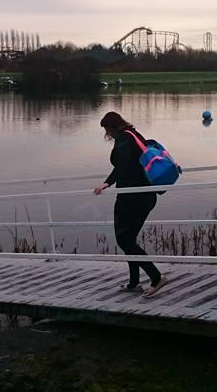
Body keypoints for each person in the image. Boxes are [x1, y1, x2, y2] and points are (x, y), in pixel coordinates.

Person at [93, 112, 168, 297]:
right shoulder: (133, 134)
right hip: (144, 196)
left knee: (124, 240)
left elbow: (123, 165)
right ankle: (134, 283)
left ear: (112, 127)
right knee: (128, 241)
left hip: (133, 197)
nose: (106, 133)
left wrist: (106, 183)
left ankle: (156, 277)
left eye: (106, 129)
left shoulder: (124, 139)